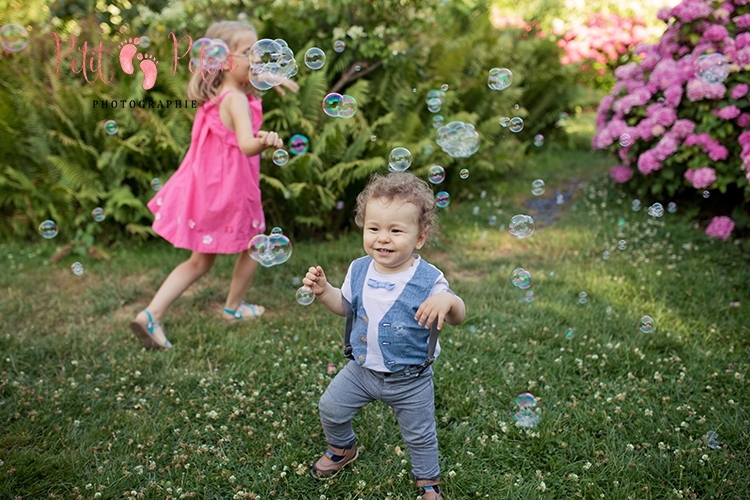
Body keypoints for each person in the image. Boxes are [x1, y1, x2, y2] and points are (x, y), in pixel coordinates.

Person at [129, 20, 298, 349]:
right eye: (249, 53)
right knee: (255, 243)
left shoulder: (222, 94)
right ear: (224, 60)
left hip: (210, 189)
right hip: (235, 191)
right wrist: (267, 141)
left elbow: (248, 86)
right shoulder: (235, 100)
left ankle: (150, 314)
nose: (257, 59)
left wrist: (269, 77)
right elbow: (247, 144)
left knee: (198, 262)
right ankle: (233, 308)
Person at [302, 172, 466, 500]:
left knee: (420, 435)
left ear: (419, 237)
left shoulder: (429, 278)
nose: (383, 238)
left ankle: (428, 482)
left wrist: (447, 301)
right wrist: (324, 292)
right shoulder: (359, 269)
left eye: (395, 230)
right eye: (374, 228)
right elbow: (345, 306)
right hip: (362, 369)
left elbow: (459, 314)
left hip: (411, 378)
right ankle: (342, 448)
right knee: (330, 407)